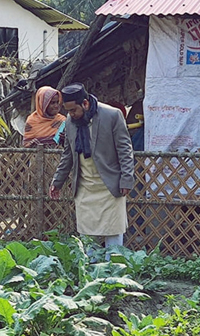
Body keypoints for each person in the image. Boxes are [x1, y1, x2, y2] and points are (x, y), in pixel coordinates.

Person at [49, 83, 135, 248]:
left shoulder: (112, 115)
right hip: (85, 188)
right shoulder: (70, 121)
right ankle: (90, 270)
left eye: (73, 110)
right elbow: (68, 155)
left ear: (85, 104)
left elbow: (125, 150)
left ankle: (114, 268)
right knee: (88, 237)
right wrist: (57, 182)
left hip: (110, 185)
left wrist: (126, 180)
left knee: (114, 232)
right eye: (68, 111)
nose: (71, 114)